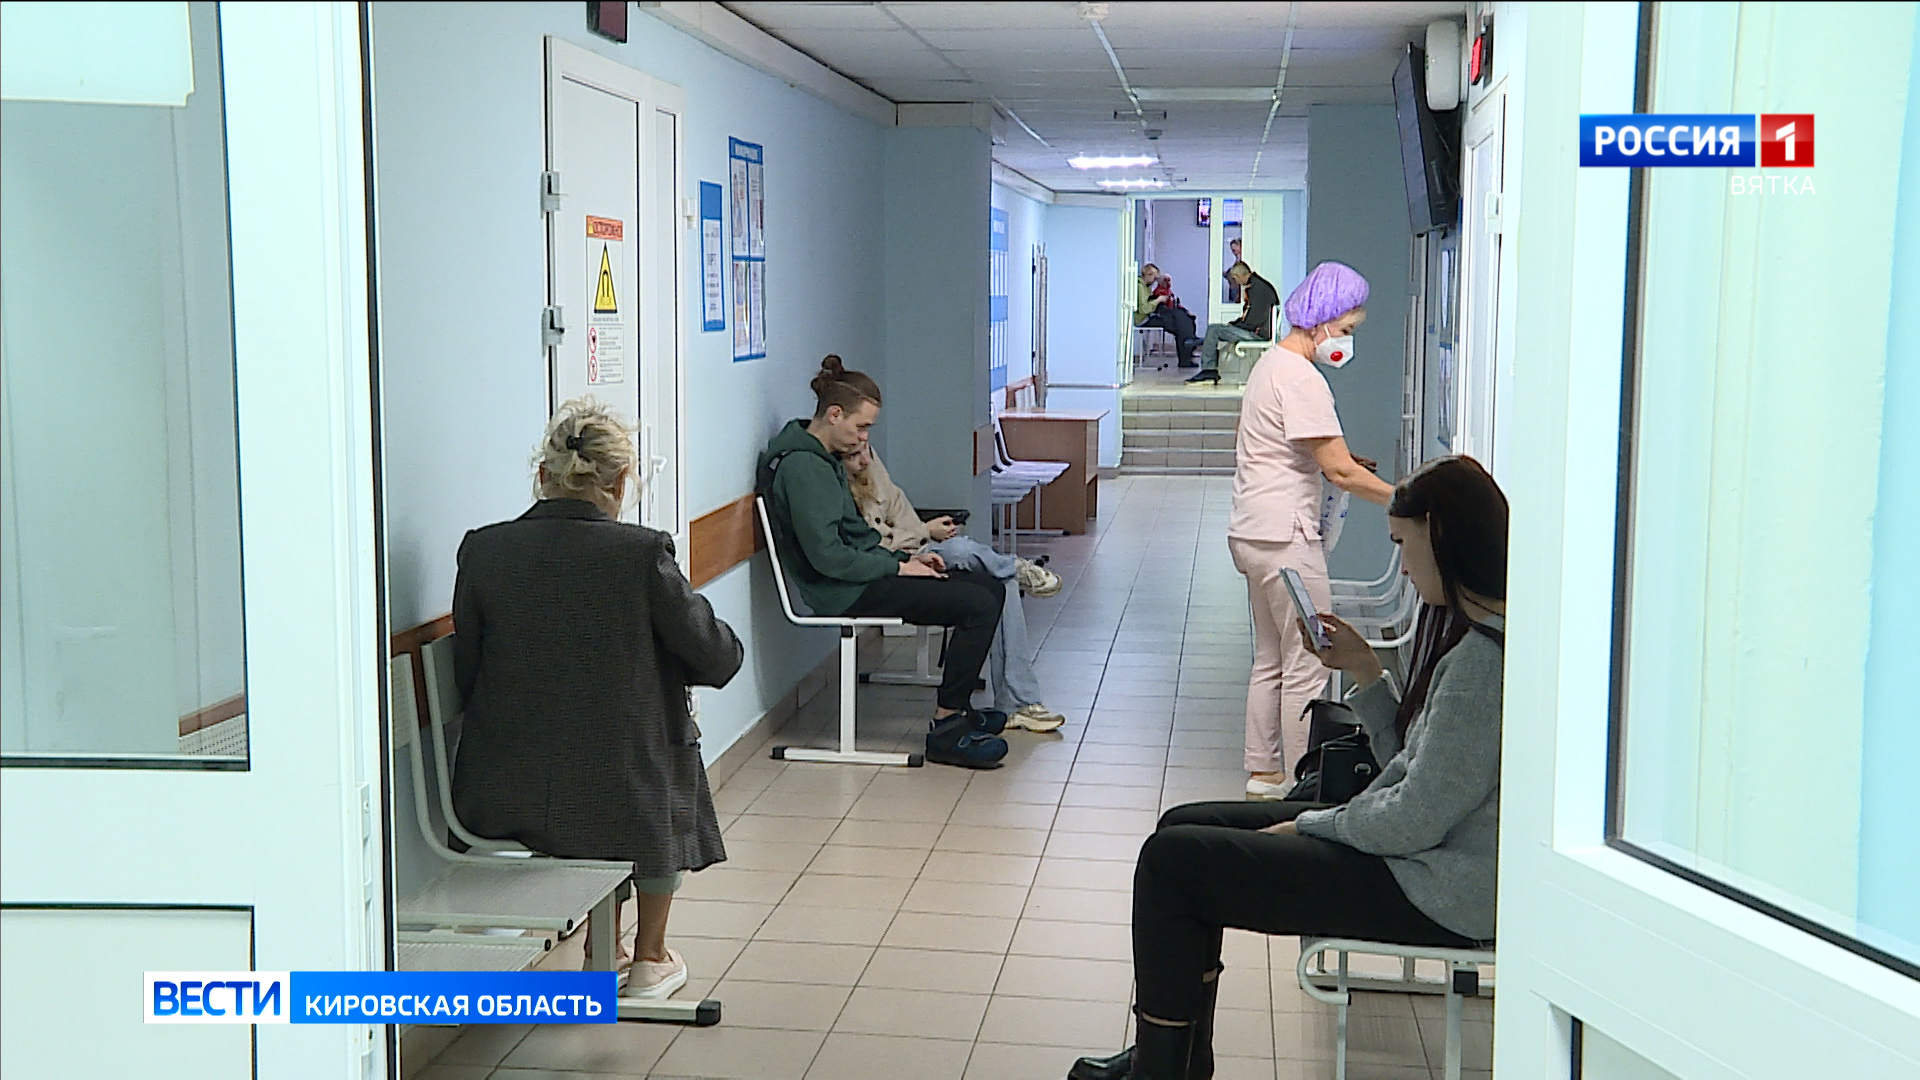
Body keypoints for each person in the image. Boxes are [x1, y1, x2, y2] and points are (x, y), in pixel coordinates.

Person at [1067, 455, 1508, 1080]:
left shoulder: (1478, 665)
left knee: (1172, 863)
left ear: (1437, 532)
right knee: (1181, 825)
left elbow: (1413, 818)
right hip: (1424, 861)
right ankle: (1175, 1055)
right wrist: (1365, 671)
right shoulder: (1480, 643)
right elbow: (1412, 771)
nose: (1404, 566)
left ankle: (1163, 1065)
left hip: (1437, 889)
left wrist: (1310, 825)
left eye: (1402, 545)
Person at [451, 397, 744, 999]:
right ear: (619, 482)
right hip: (620, 789)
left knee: (615, 761)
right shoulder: (641, 553)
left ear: (543, 475)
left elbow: (467, 671)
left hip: (502, 785)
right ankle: (648, 959)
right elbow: (718, 658)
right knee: (656, 754)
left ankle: (601, 950)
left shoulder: (483, 549)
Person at [759, 356, 1010, 768]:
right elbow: (828, 558)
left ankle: (959, 709)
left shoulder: (821, 456)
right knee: (978, 604)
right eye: (861, 427)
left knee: (988, 587)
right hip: (842, 591)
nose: (864, 439)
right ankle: (947, 727)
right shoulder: (804, 468)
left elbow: (855, 537)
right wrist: (897, 567)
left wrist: (903, 557)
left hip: (860, 575)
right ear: (834, 415)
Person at [1230, 260, 1395, 799]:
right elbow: (1339, 470)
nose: (1347, 340)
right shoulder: (1303, 378)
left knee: (1269, 659)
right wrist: (1407, 499)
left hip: (1253, 531)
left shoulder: (1271, 365)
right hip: (1287, 538)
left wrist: (1342, 464)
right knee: (1309, 661)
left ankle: (1264, 772)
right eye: (1345, 329)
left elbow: (1304, 452)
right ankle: (1303, 783)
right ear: (1321, 320)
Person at [843, 442, 1067, 733]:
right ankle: (1016, 566)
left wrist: (924, 532)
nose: (865, 460)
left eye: (866, 449)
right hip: (896, 562)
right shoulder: (838, 490)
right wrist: (925, 531)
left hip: (919, 548)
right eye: (854, 455)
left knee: (1003, 584)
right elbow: (875, 546)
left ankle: (1018, 705)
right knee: (961, 550)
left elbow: (902, 514)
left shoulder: (872, 466)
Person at [1187, 260, 1280, 384]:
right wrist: (1235, 324)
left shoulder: (1258, 289)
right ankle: (1209, 367)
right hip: (1258, 330)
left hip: (1257, 333)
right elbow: (1251, 316)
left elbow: (1253, 320)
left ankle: (1209, 370)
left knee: (1214, 330)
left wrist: (1236, 326)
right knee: (1215, 328)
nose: (1236, 282)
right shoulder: (1257, 286)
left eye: (1235, 278)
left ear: (1241, 275)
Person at [1136, 263, 1201, 368]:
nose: (1154, 281)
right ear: (1148, 275)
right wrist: (1158, 300)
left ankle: (1189, 343)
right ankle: (1188, 345)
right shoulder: (1140, 287)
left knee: (1183, 317)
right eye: (1154, 278)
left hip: (1151, 315)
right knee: (1180, 323)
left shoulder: (1146, 287)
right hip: (1144, 319)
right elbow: (1144, 309)